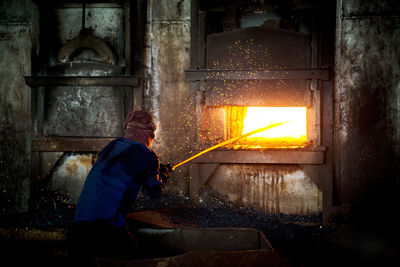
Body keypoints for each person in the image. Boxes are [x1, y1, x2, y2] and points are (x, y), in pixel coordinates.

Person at [68, 110, 172, 261]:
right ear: (148, 133)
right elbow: (155, 191)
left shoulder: (111, 146)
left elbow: (122, 168)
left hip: (78, 226)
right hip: (106, 227)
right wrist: (163, 175)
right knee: (136, 261)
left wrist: (154, 169)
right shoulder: (148, 156)